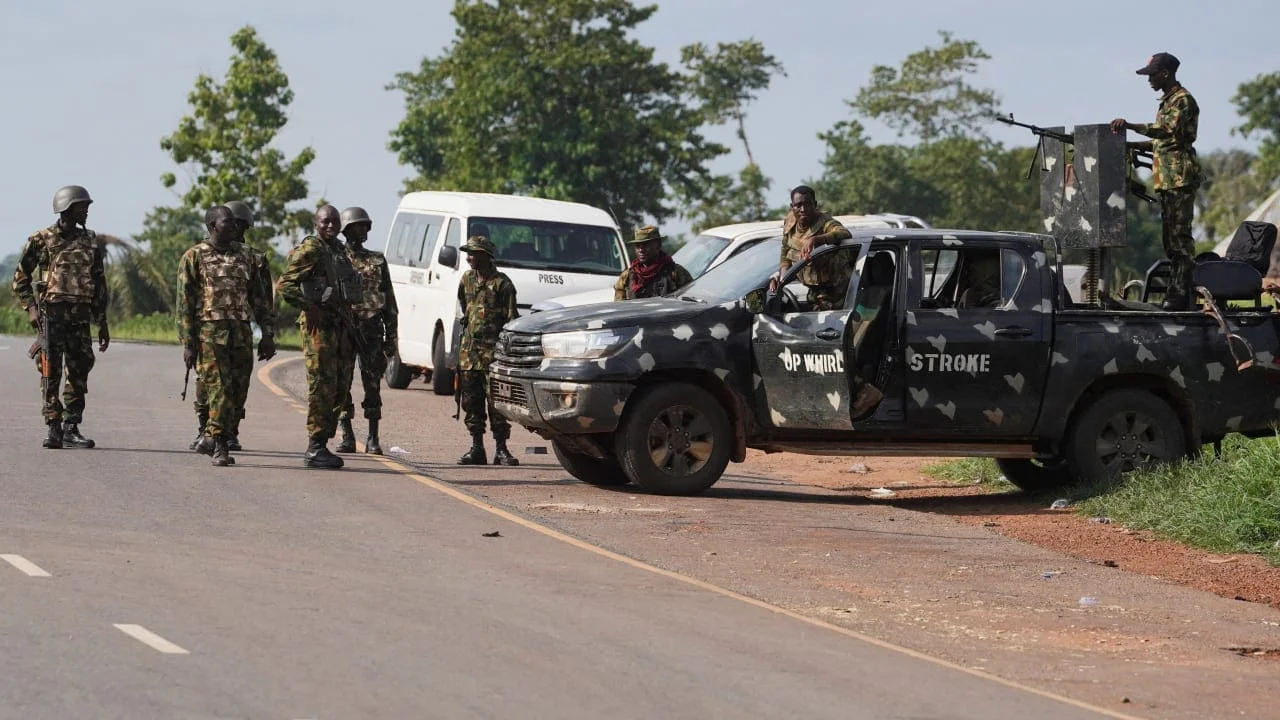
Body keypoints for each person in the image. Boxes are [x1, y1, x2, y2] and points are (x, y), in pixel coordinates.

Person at [12, 185, 110, 449]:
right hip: (51, 318)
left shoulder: (90, 240)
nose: (87, 210)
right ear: (67, 208)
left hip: (80, 320)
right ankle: (53, 426)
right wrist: (31, 308)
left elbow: (99, 284)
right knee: (49, 372)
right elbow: (20, 277)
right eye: (82, 206)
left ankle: (71, 426)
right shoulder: (41, 239)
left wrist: (102, 322)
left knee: (79, 372)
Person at [176, 206, 274, 466]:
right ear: (211, 226)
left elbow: (260, 299)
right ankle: (219, 445)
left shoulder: (247, 256)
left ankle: (215, 435)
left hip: (241, 331)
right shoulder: (194, 256)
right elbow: (184, 303)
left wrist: (267, 333)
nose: (234, 227)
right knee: (218, 388)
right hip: (210, 333)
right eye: (227, 223)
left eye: (234, 223)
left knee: (237, 390)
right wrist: (188, 341)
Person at [1111, 52, 1202, 310]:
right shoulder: (1168, 101)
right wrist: (1130, 145)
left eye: (1152, 74)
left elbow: (1167, 131)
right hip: (1168, 179)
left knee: (1180, 240)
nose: (1148, 80)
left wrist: (1131, 125)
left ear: (1166, 73)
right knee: (1171, 242)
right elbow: (1160, 141)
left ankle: (1180, 295)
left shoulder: (1183, 100)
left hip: (1180, 178)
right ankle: (1177, 293)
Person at [277, 205, 361, 469]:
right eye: (325, 222)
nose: (330, 226)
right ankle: (315, 447)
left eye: (334, 222)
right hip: (320, 331)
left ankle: (323, 442)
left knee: (339, 388)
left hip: (340, 328)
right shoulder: (311, 249)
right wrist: (309, 306)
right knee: (322, 387)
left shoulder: (337, 250)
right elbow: (285, 285)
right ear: (316, 224)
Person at [334, 206, 398, 455]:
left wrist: (391, 337)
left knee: (373, 384)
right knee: (343, 383)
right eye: (358, 225)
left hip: (372, 327)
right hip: (345, 327)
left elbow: (389, 300)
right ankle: (347, 434)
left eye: (365, 225)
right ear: (347, 229)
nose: (364, 230)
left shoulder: (377, 260)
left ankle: (373, 437)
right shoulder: (336, 258)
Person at [456, 235, 520, 466]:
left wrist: (508, 357)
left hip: (494, 358)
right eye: (468, 253)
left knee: (498, 405)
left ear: (485, 255)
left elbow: (512, 321)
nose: (468, 258)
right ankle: (476, 448)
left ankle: (501, 449)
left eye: (473, 253)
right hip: (469, 357)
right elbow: (465, 310)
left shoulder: (503, 284)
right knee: (471, 405)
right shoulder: (466, 280)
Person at [771, 185, 853, 310]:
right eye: (798, 205)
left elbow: (844, 233)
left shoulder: (824, 222)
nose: (803, 209)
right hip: (812, 289)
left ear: (815, 204)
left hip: (837, 290)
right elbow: (785, 252)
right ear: (792, 207)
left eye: (808, 204)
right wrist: (781, 279)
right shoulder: (790, 222)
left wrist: (816, 239)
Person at [613, 225, 693, 300]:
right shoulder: (627, 276)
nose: (641, 250)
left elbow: (690, 302)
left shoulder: (675, 273)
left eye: (645, 245)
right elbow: (619, 307)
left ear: (658, 246)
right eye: (638, 246)